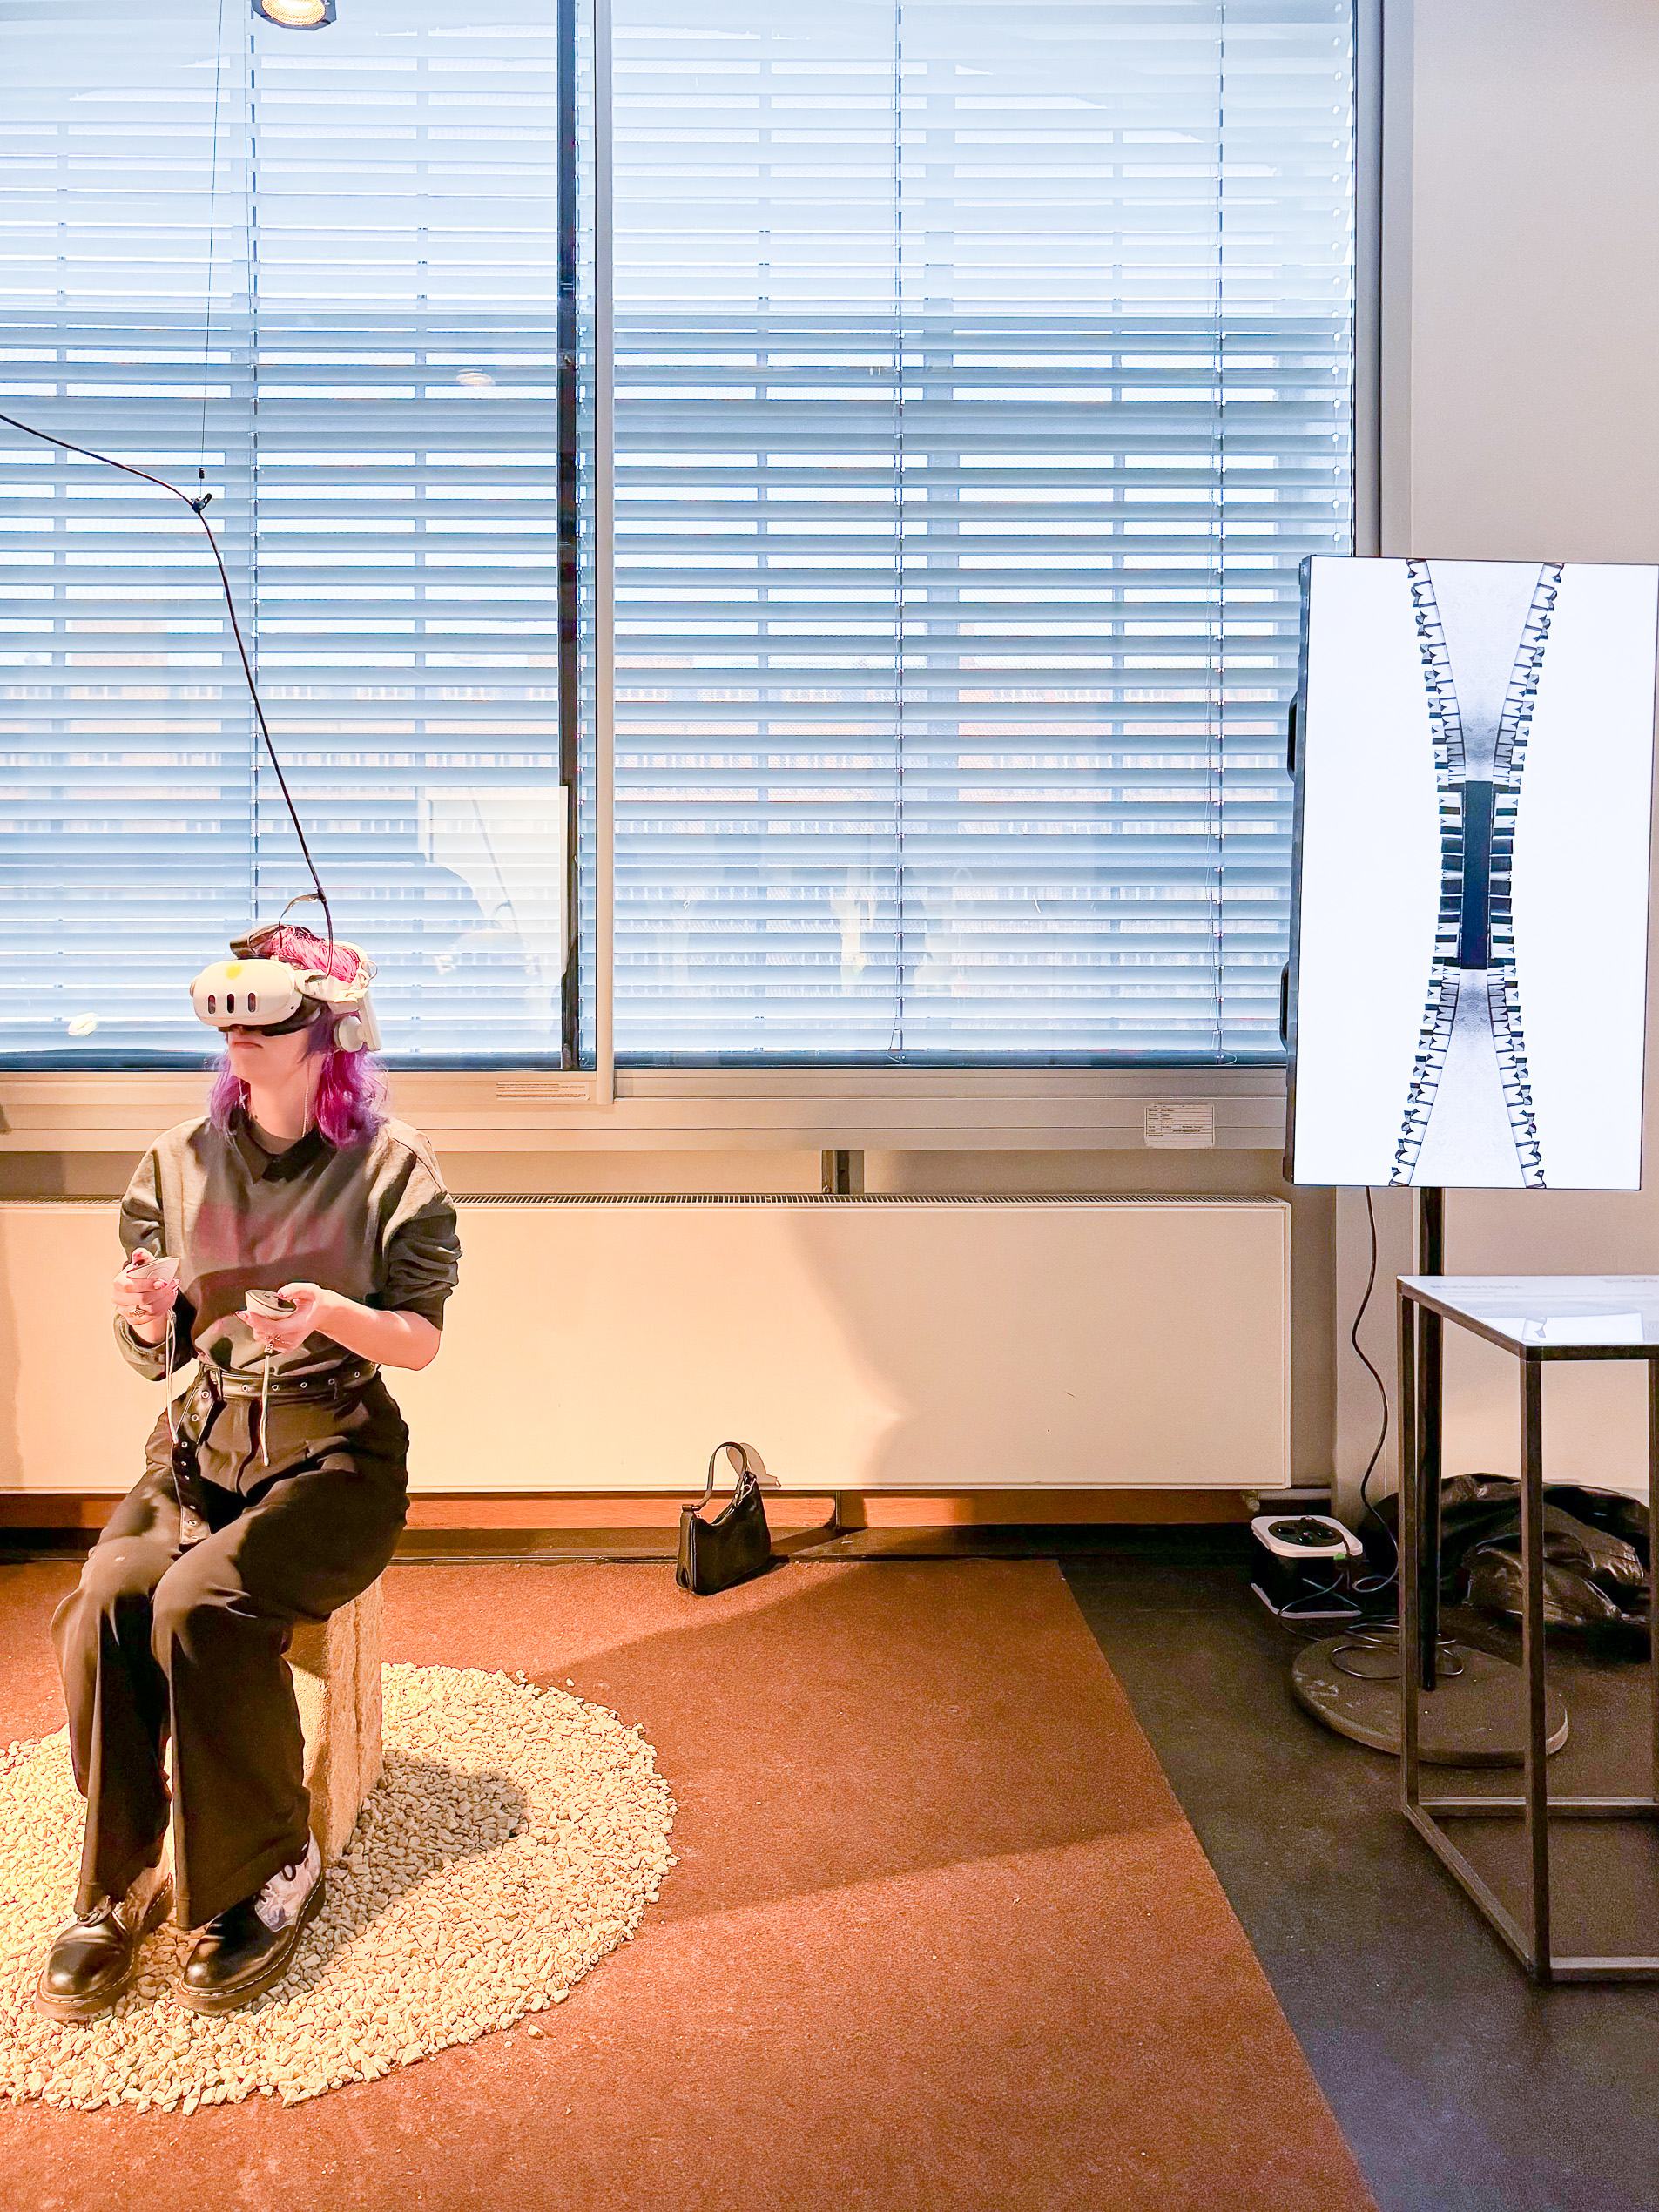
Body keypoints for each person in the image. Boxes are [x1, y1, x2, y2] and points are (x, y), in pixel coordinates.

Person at [36, 922, 461, 2021]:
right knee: (109, 1593)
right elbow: (162, 1350)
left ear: (332, 1034)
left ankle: (271, 1865)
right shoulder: (179, 1160)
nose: (241, 1038)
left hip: (336, 1454)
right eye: (230, 1023)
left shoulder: (391, 1165)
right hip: (203, 1441)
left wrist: (330, 1314)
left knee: (200, 1600)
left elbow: (419, 1339)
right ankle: (122, 1871)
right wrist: (147, 1317)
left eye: (268, 1021)